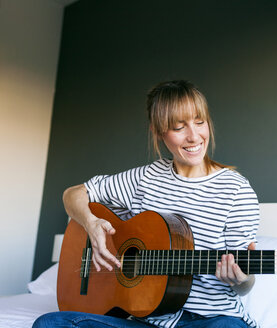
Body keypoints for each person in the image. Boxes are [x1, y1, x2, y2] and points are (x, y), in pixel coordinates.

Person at [33, 80, 260, 328]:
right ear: (159, 131)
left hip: (211, 320)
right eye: (178, 127)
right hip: (147, 322)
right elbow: (73, 194)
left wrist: (240, 278)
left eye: (199, 121)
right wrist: (91, 223)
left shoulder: (236, 189)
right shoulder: (146, 178)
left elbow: (245, 285)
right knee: (50, 323)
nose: (194, 136)